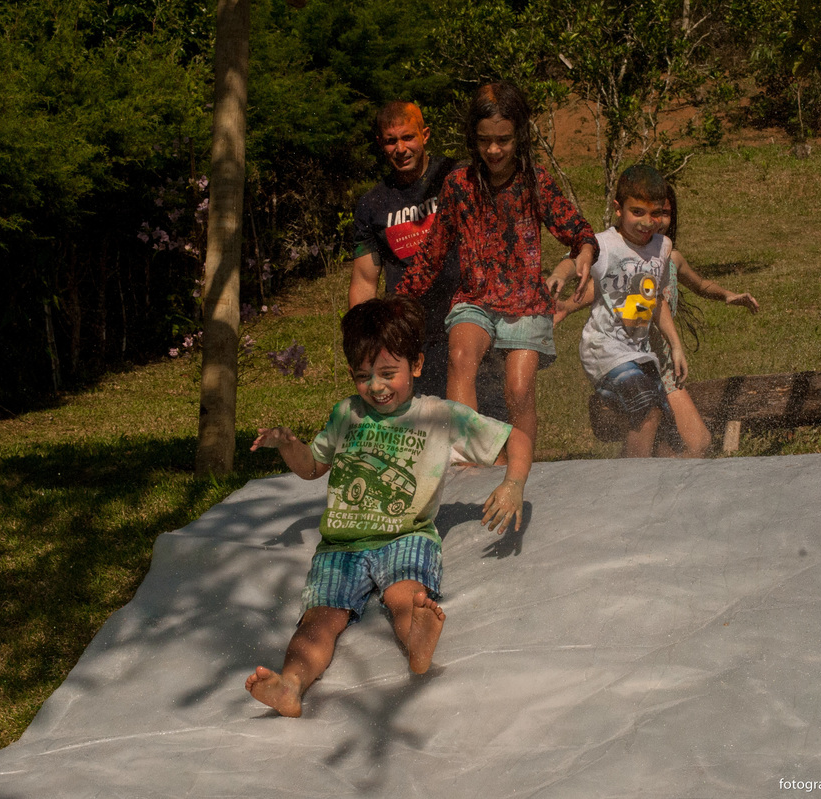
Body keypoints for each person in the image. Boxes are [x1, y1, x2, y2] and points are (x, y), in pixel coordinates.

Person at [246, 296, 532, 718]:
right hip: (341, 545)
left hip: (406, 536)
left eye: (387, 373)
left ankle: (418, 642)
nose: (376, 387)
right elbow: (312, 468)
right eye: (363, 377)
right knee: (318, 621)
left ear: (416, 365)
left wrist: (513, 483)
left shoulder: (438, 416)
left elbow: (515, 438)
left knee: (406, 598)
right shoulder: (347, 414)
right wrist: (289, 445)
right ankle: (291, 684)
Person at [395, 82, 598, 461]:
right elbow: (431, 254)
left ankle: (519, 469)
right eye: (484, 140)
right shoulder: (459, 186)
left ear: (519, 136)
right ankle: (470, 461)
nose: (493, 150)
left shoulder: (534, 181)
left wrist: (585, 251)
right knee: (460, 357)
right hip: (475, 300)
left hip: (525, 303)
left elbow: (577, 230)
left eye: (503, 140)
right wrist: (395, 302)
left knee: (518, 391)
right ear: (473, 138)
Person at [556, 183, 759, 457]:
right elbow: (601, 288)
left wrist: (727, 295)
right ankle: (631, 475)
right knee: (655, 426)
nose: (657, 220)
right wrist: (566, 307)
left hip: (661, 364)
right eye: (650, 212)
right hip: (628, 358)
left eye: (664, 213)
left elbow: (700, 285)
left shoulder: (669, 257)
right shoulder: (624, 254)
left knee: (692, 443)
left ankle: (647, 477)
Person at [350, 100, 506, 417]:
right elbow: (364, 282)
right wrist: (362, 341)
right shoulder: (372, 204)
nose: (400, 149)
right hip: (411, 336)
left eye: (408, 137)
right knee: (427, 428)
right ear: (380, 143)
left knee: (487, 424)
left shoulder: (459, 176)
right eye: (391, 141)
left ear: (425, 135)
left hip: (471, 321)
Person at [577, 164, 686, 458]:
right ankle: (630, 483)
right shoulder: (605, 244)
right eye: (637, 212)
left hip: (640, 355)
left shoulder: (661, 247)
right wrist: (559, 277)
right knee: (647, 412)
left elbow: (656, 300)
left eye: (656, 213)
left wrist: (676, 346)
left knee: (669, 438)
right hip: (604, 350)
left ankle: (637, 479)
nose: (647, 222)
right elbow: (576, 261)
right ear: (618, 209)